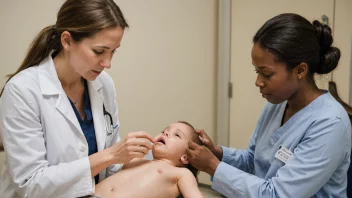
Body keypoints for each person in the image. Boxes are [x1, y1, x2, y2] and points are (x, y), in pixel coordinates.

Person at [186, 13, 351, 198]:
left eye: (266, 74)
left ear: (300, 70)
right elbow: (254, 161)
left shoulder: (329, 123)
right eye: (257, 71)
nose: (258, 82)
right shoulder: (278, 103)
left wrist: (212, 166)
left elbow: (278, 195)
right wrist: (217, 153)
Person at [0, 0, 154, 197]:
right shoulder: (23, 90)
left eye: (113, 51)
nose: (107, 63)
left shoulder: (103, 84)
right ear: (67, 41)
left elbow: (110, 168)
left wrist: (153, 157)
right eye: (99, 51)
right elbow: (30, 184)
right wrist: (111, 155)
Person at [92, 121, 203, 198]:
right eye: (164, 130)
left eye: (177, 135)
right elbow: (112, 167)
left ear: (185, 157)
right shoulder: (138, 160)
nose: (166, 133)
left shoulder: (181, 173)